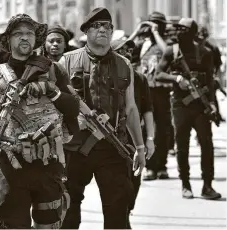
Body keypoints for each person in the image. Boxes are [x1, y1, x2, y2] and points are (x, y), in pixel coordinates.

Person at [0, 14, 79, 229]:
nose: (25, 38)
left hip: (48, 162)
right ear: (8, 41)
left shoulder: (53, 71)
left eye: (29, 34)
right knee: (12, 223)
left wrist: (52, 91)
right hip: (11, 163)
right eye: (18, 34)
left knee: (49, 223)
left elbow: (74, 108)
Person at [59, 8, 146, 229]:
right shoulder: (66, 61)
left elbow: (132, 108)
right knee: (67, 209)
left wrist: (141, 147)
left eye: (107, 26)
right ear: (86, 32)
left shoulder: (124, 64)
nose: (102, 30)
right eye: (96, 26)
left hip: (112, 147)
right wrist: (71, 121)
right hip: (74, 147)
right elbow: (52, 104)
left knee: (118, 210)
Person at [154, 18, 221, 200]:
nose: (179, 32)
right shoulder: (171, 51)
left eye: (184, 29)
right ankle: (186, 184)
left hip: (201, 106)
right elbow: (158, 74)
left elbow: (210, 81)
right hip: (180, 105)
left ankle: (207, 185)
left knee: (207, 145)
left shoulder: (205, 52)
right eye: (178, 29)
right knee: (182, 147)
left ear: (192, 32)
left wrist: (213, 105)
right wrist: (176, 79)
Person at [112, 39, 155, 229]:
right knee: (119, 183)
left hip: (135, 137)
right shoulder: (105, 76)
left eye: (129, 50)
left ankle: (126, 211)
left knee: (135, 180)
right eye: (122, 50)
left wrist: (150, 139)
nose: (127, 53)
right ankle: (122, 218)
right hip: (112, 138)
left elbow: (147, 110)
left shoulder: (140, 78)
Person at [131, 12, 172, 180]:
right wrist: (138, 30)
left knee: (163, 129)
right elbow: (124, 47)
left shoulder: (168, 42)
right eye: (151, 23)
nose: (153, 26)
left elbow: (168, 53)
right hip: (146, 91)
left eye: (156, 23)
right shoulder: (143, 44)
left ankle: (161, 166)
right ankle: (150, 166)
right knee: (147, 129)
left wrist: (156, 33)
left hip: (162, 91)